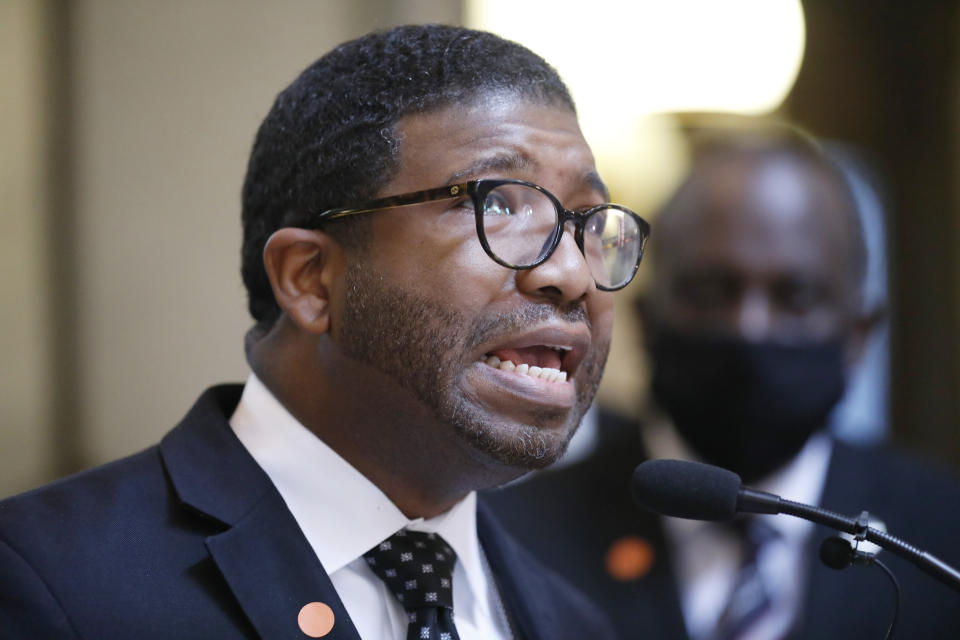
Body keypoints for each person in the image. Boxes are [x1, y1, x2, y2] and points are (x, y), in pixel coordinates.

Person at [0, 25, 649, 639]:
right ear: (309, 279)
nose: (571, 272)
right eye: (498, 203)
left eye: (589, 222)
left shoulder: (569, 619)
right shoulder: (50, 581)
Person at [486, 123, 960, 639]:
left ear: (859, 335)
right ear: (646, 318)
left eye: (795, 296)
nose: (749, 327)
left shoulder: (939, 543)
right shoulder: (514, 539)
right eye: (712, 291)